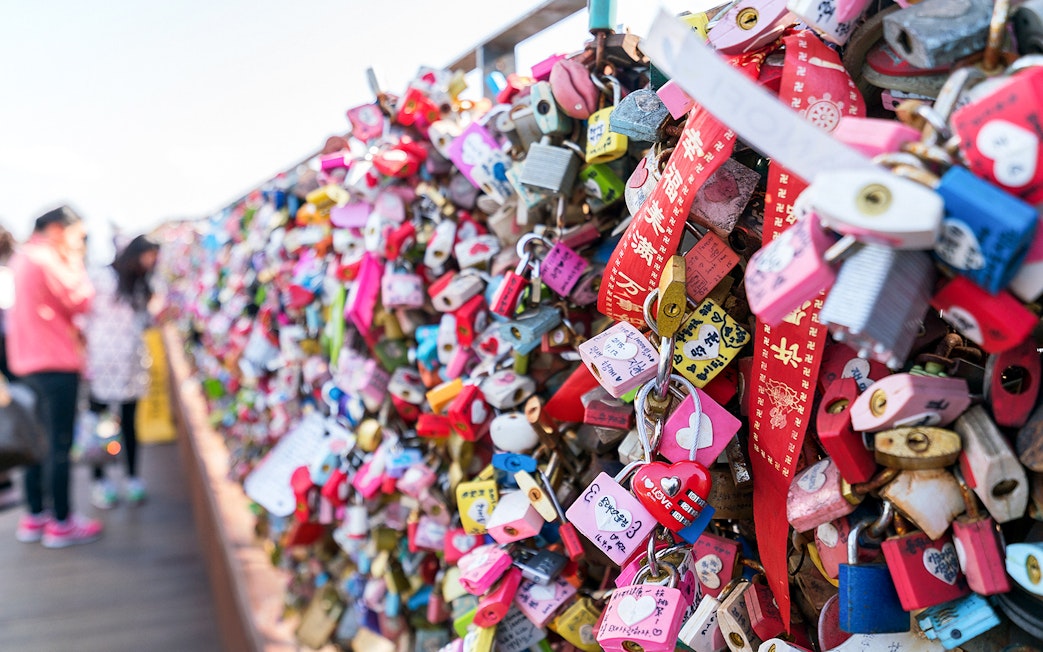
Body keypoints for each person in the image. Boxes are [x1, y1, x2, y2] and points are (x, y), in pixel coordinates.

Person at [8, 206, 101, 547]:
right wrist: (76, 259)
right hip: (55, 366)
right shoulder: (48, 259)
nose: (81, 242)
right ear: (59, 230)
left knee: (35, 445)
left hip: (24, 366)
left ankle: (35, 517)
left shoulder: (21, 258)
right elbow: (81, 300)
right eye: (79, 235)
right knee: (58, 446)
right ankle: (61, 522)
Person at [84, 234, 160, 508]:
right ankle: (100, 480)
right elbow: (83, 316)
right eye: (148, 255)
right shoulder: (102, 278)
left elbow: (145, 321)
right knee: (101, 426)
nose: (151, 262)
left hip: (130, 366)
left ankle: (131, 477)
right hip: (102, 364)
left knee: (129, 423)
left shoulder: (141, 285)